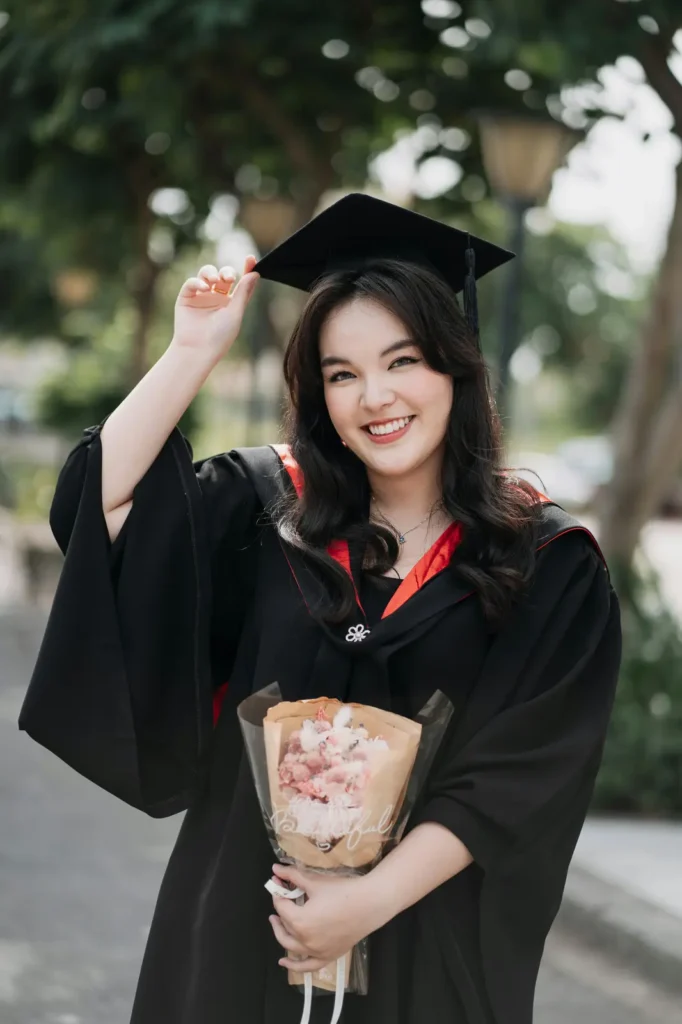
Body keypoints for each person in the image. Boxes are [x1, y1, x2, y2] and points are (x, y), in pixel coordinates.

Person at [19, 193, 622, 1024]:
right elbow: (100, 507)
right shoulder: (268, 510)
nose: (376, 397)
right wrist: (192, 352)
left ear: (456, 365)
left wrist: (365, 904)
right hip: (241, 925)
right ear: (319, 395)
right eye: (342, 374)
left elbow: (521, 774)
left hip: (419, 949)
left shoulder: (545, 561)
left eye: (403, 361)